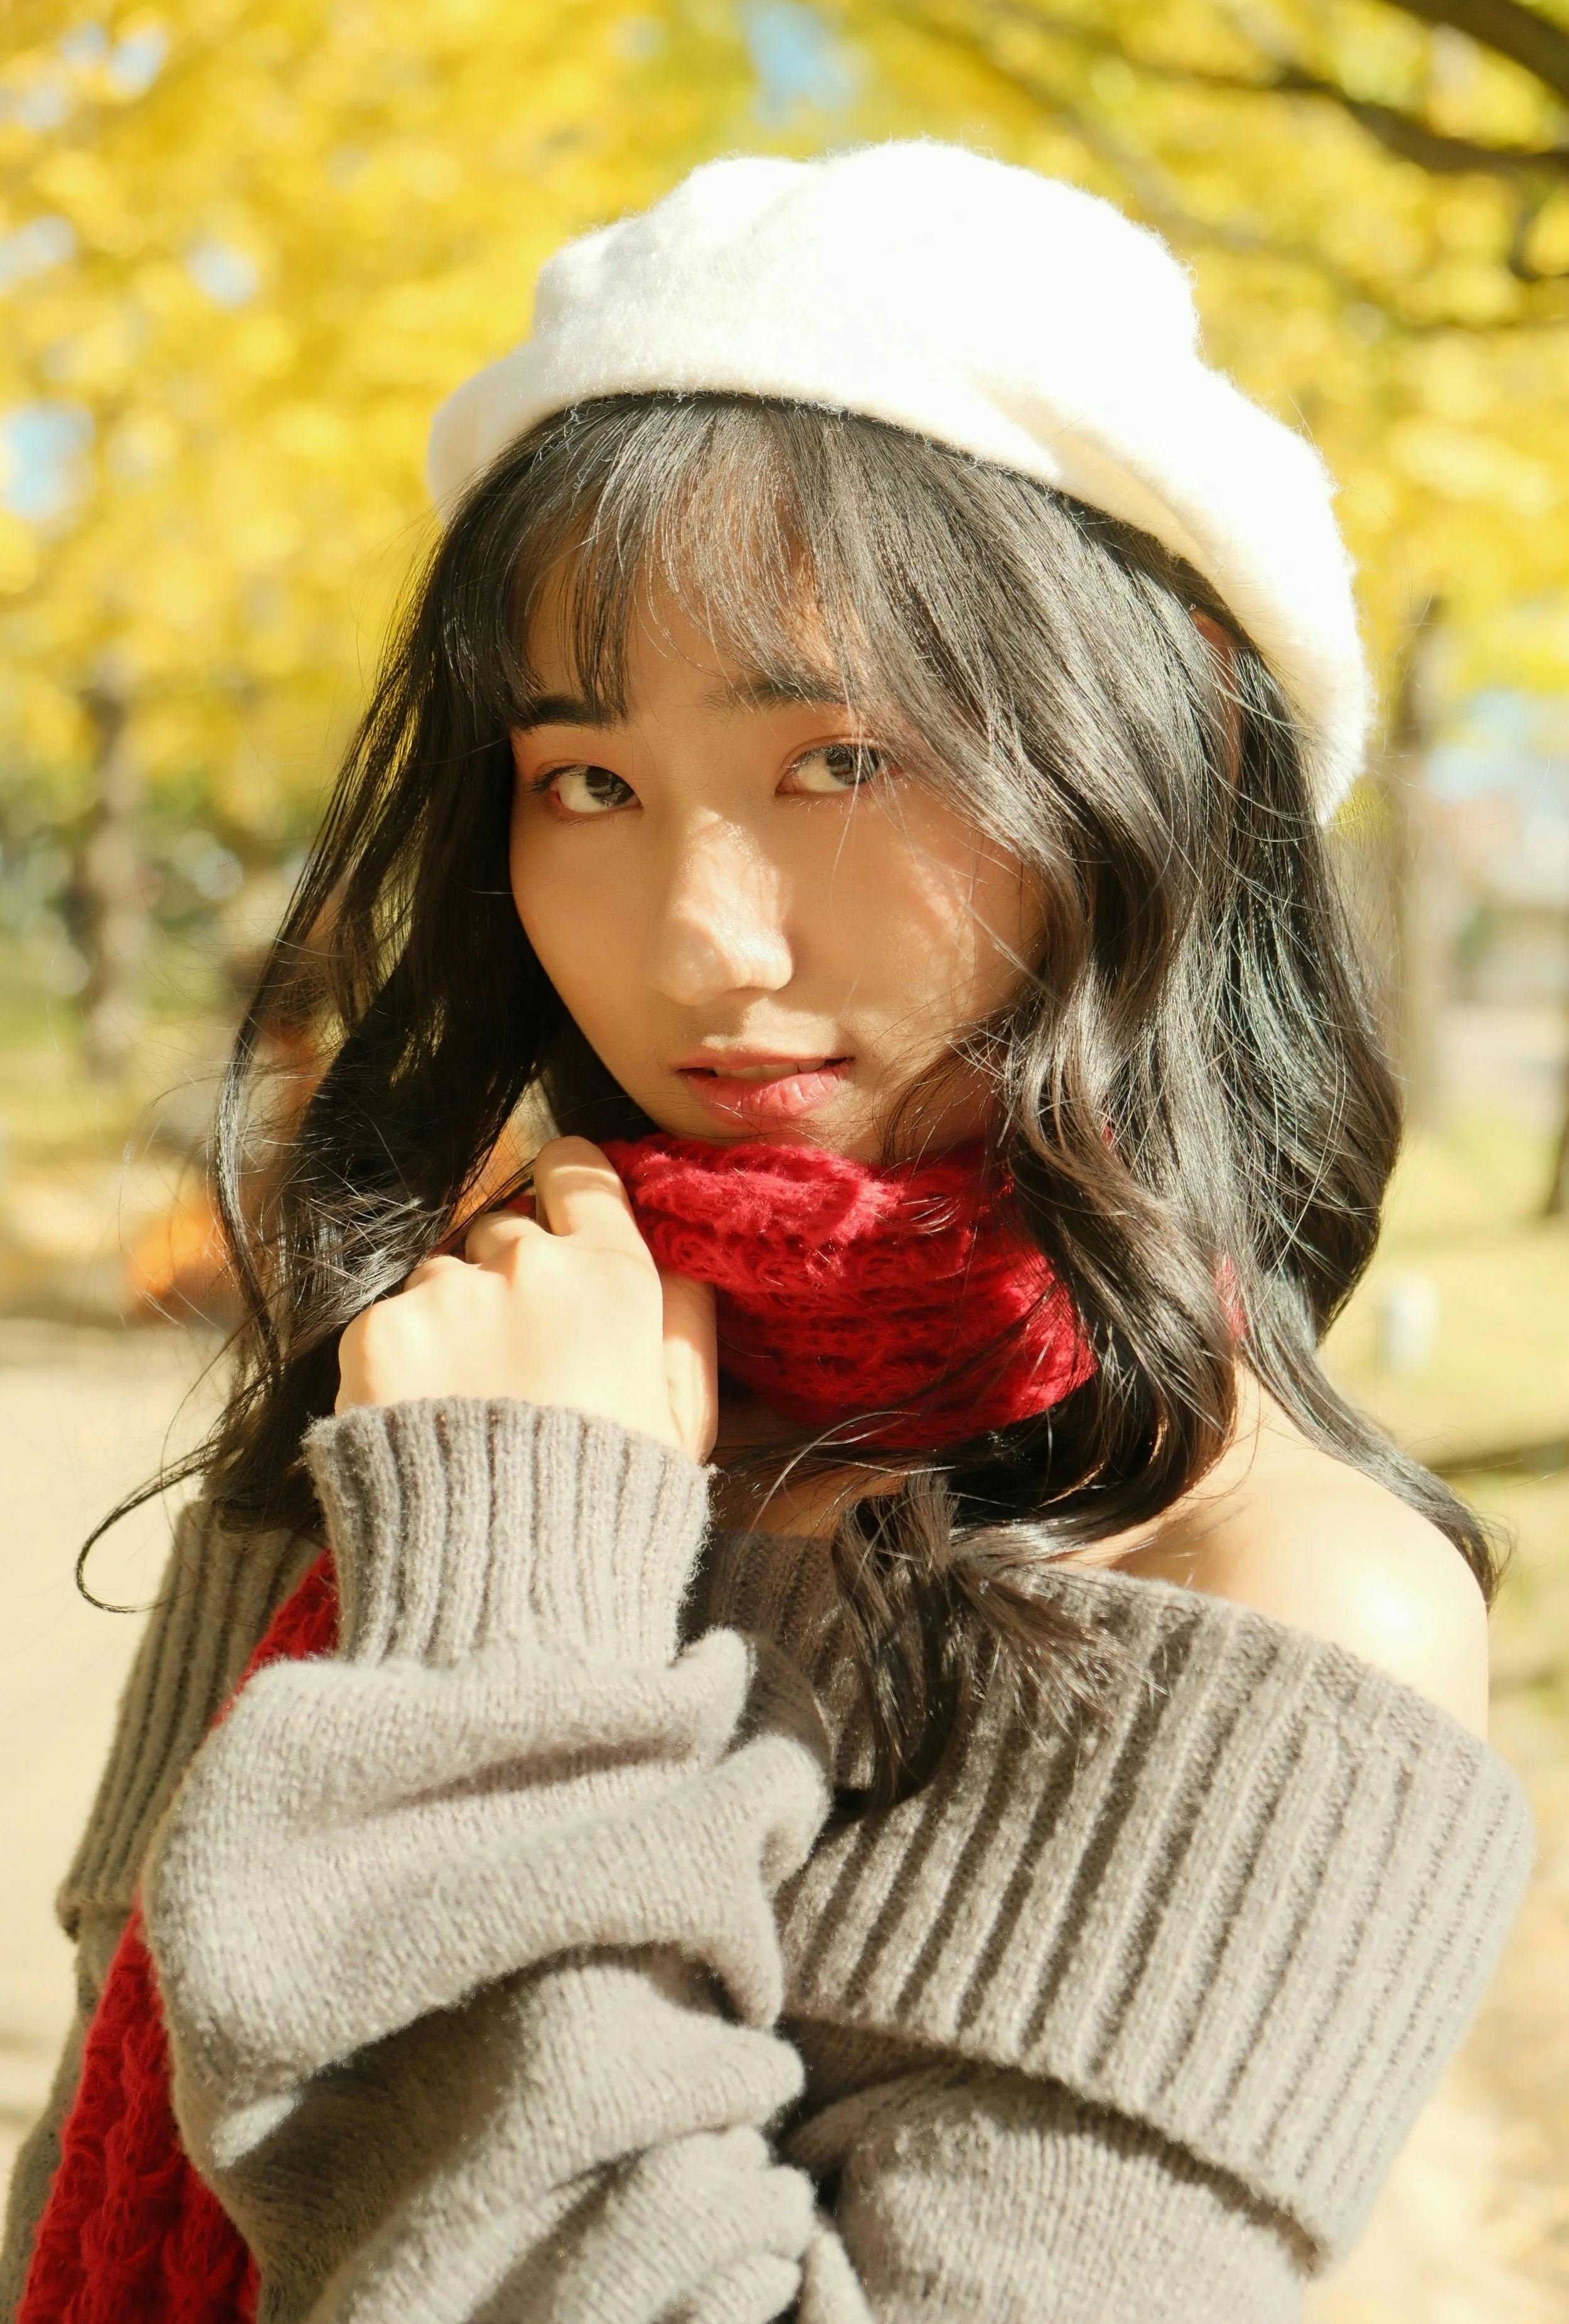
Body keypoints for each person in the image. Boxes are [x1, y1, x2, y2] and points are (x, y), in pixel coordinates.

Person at [3, 141, 1533, 2324]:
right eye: (587, 783)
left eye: (838, 757)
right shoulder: (438, 1374)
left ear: (1153, 766)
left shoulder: (1281, 1601)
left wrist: (505, 1622)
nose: (705, 941)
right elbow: (97, 2151)